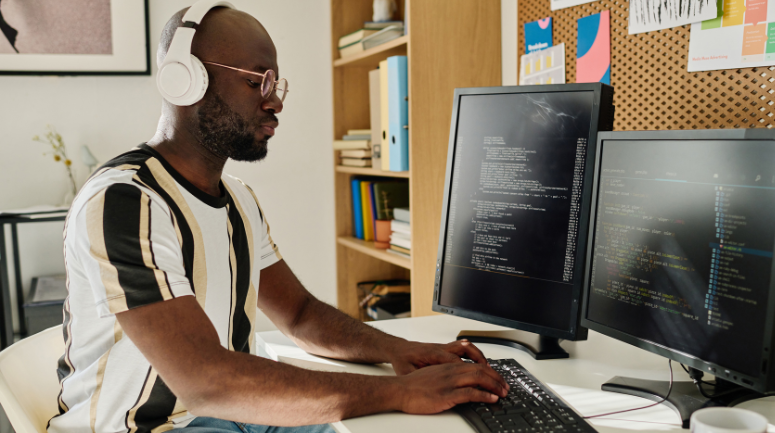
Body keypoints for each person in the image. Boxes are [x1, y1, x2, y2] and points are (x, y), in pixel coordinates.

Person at [47, 3, 508, 433]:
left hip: (230, 415)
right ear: (184, 80)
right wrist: (399, 392)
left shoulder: (239, 200)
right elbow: (206, 382)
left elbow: (302, 316)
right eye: (256, 82)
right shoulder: (125, 202)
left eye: (276, 83)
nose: (275, 101)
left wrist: (400, 351)